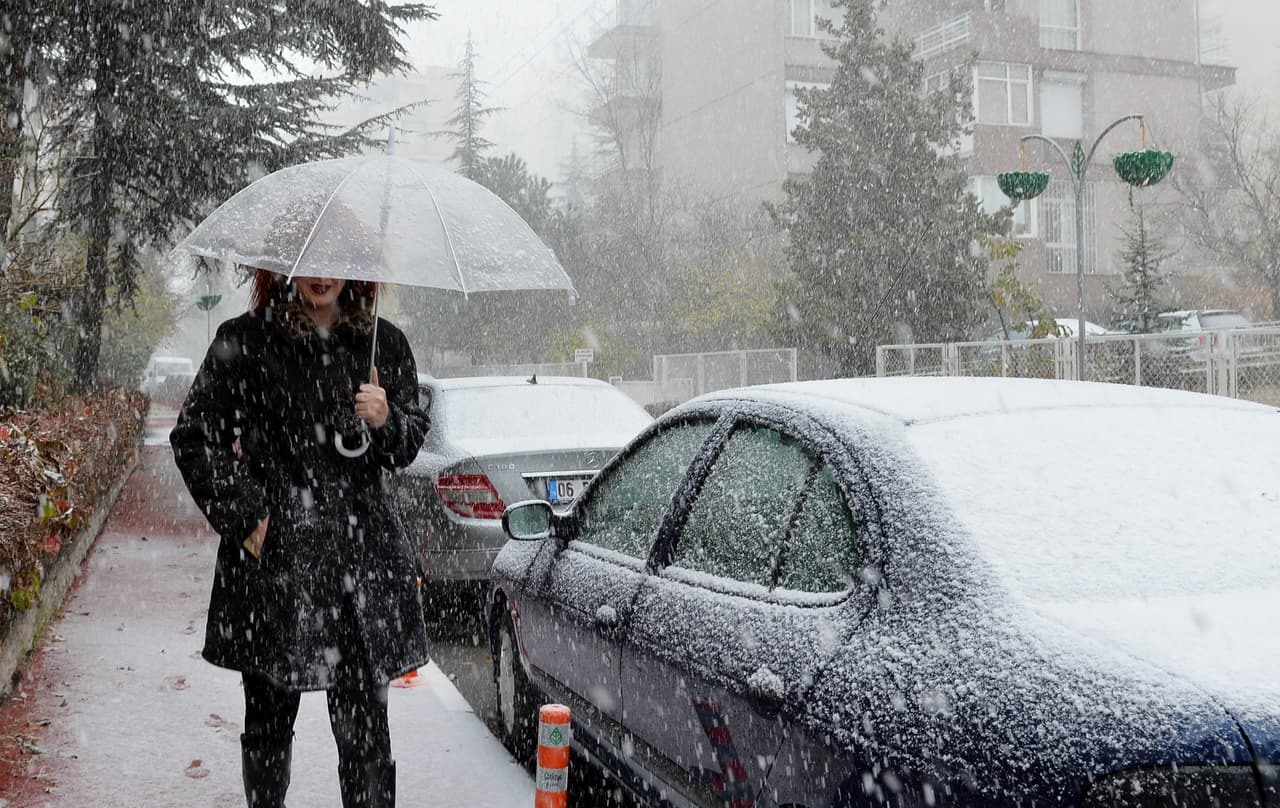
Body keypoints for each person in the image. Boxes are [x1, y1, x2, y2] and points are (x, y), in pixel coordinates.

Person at [170, 268, 430, 808]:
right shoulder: (246, 341)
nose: (322, 276)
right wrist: (246, 516)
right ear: (284, 269)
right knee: (267, 727)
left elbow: (406, 446)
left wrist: (385, 420)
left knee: (364, 736)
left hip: (358, 572)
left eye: (337, 262)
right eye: (310, 261)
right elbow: (195, 435)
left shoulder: (383, 344)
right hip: (276, 571)